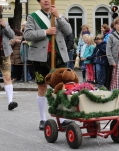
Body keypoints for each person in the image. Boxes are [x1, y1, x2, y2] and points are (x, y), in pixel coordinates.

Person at [24, 0, 72, 130]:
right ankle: (42, 119)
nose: (46, 1)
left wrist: (58, 16)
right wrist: (45, 32)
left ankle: (62, 118)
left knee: (60, 87)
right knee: (42, 87)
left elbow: (68, 31)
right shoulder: (32, 17)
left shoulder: (58, 15)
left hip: (58, 56)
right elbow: (27, 35)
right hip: (40, 57)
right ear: (40, 2)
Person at [0, 4, 17, 110]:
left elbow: (12, 35)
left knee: (7, 77)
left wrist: (4, 26)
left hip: (4, 54)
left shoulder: (4, 24)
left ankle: (10, 102)